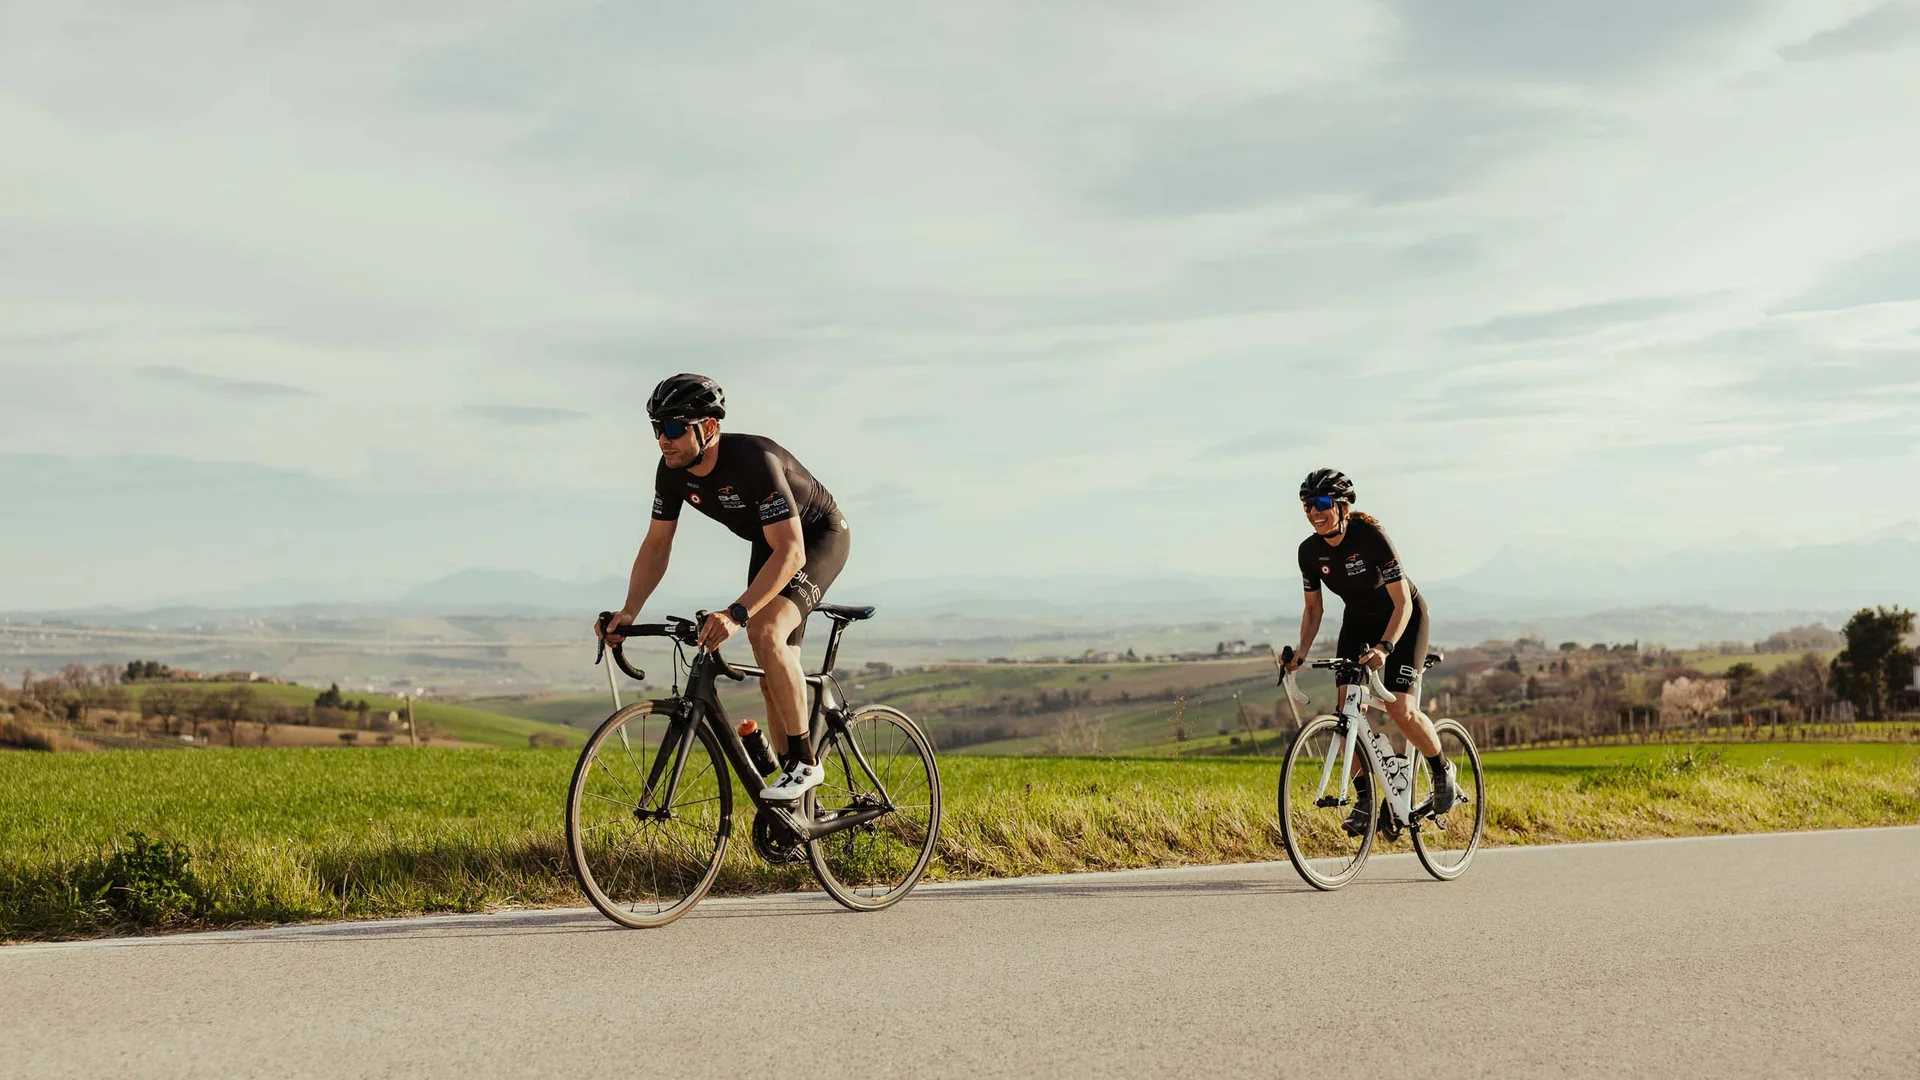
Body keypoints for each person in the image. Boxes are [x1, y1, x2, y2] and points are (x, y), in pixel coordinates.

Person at [597, 373, 851, 802]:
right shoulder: (672, 471)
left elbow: (791, 553)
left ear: (709, 427)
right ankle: (800, 809)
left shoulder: (754, 460)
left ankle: (806, 763)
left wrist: (735, 614)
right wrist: (629, 612)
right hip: (768, 542)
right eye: (657, 428)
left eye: (674, 427)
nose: (663, 439)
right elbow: (657, 543)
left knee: (763, 629)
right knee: (772, 676)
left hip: (815, 538)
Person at [1279, 468, 1457, 833]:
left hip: (1402, 620)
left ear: (1343, 506)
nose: (1315, 511)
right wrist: (1300, 653)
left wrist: (1386, 647)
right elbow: (1314, 610)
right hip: (1358, 622)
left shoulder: (1371, 537)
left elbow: (1403, 603)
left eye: (1323, 502)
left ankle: (1442, 770)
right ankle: (1368, 802)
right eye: (1308, 504)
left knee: (1399, 709)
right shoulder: (1308, 552)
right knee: (1346, 716)